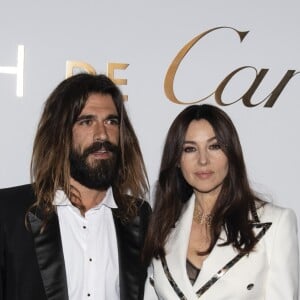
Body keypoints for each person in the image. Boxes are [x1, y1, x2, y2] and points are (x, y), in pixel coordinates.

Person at [0, 73, 151, 300]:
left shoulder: (139, 217)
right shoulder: (9, 211)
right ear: (60, 133)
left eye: (111, 121)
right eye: (86, 121)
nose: (102, 134)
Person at [143, 104, 299, 299]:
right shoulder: (163, 228)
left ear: (231, 153)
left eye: (214, 146)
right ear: (176, 159)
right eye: (190, 149)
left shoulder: (276, 224)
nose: (203, 160)